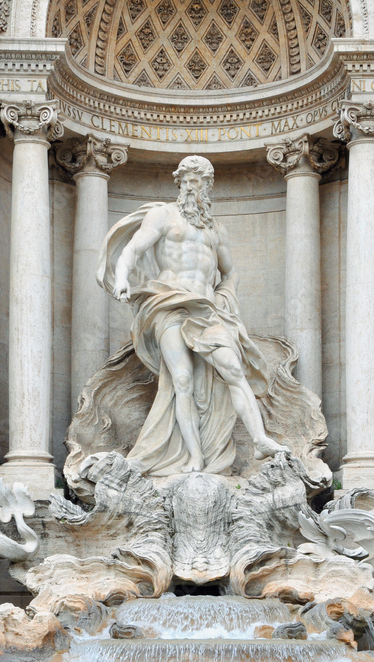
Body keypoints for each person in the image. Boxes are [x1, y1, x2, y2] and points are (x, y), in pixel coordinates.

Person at [97, 154, 288, 476]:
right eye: (186, 181)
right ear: (178, 183)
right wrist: (120, 280)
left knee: (233, 368)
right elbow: (132, 249)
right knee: (181, 380)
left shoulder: (216, 230)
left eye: (197, 181)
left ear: (207, 187)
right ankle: (195, 458)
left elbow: (231, 272)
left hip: (206, 309)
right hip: (168, 303)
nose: (191, 187)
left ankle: (260, 440)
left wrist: (226, 297)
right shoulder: (162, 215)